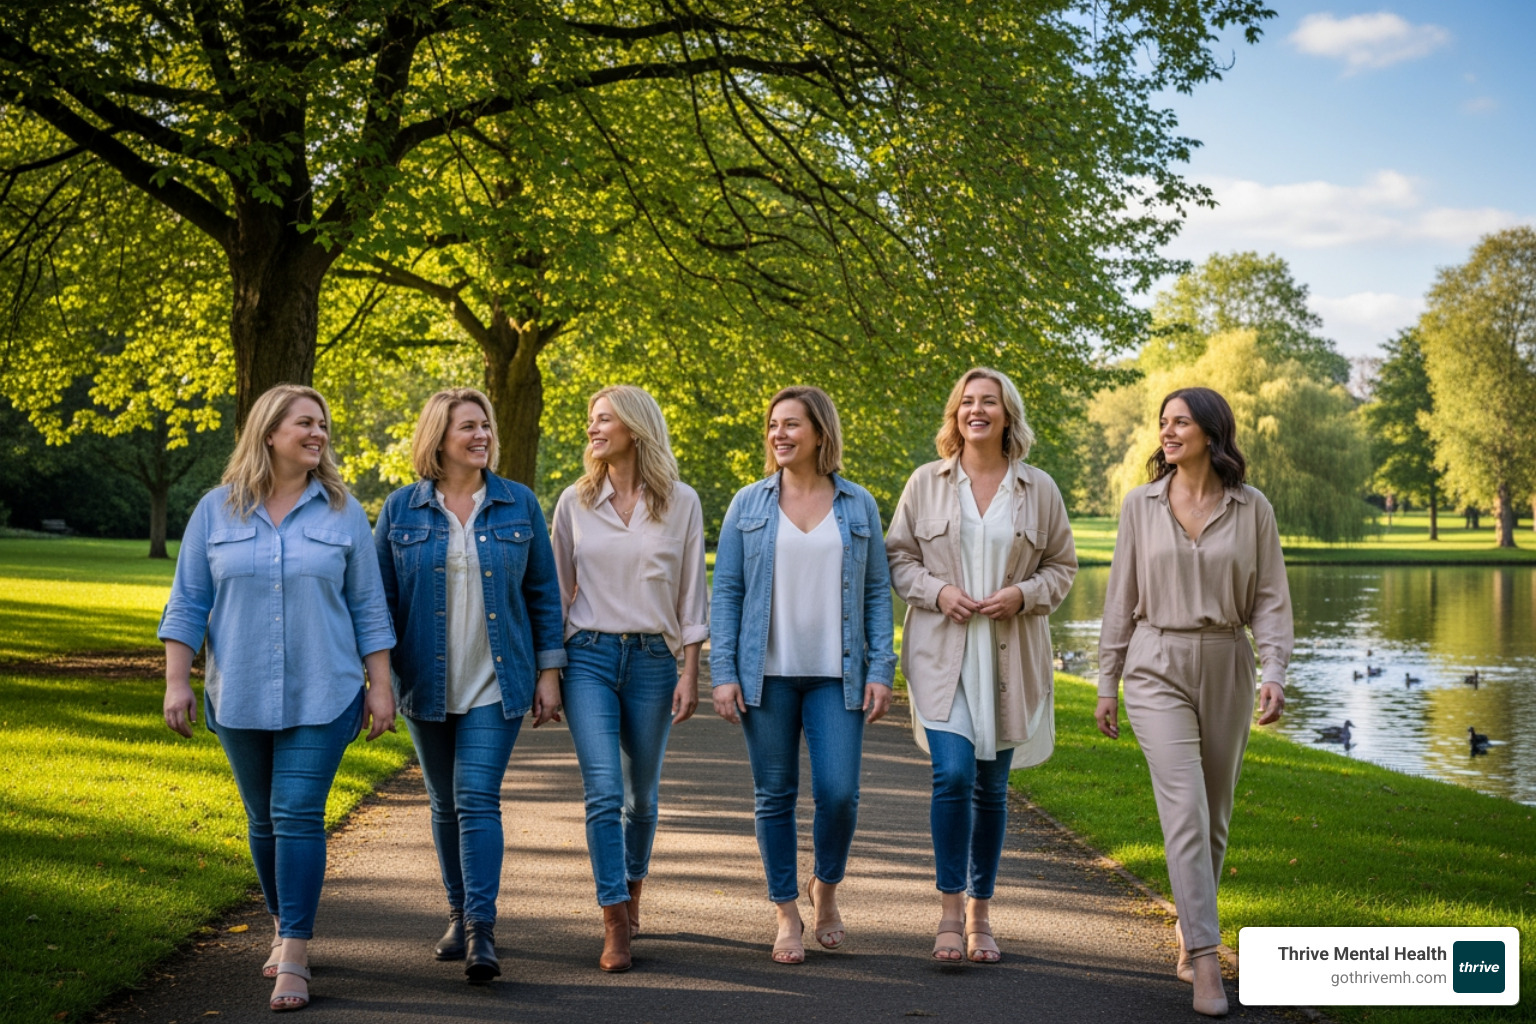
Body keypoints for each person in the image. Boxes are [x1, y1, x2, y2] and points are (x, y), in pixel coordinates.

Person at [159, 384, 395, 1012]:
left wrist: (381, 686)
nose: (318, 434)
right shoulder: (216, 510)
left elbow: (368, 605)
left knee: (295, 812)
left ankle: (294, 946)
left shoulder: (343, 511)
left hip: (325, 689)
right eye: (305, 424)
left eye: (322, 425)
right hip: (237, 691)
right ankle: (282, 916)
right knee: (262, 819)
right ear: (269, 433)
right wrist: (176, 679)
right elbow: (188, 602)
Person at [1094, 386, 1291, 1018]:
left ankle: (1190, 928)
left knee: (1213, 815)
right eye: (1163, 423)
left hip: (1228, 660)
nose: (1168, 431)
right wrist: (1107, 680)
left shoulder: (1252, 507)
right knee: (1183, 806)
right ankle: (1207, 960)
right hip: (1156, 664)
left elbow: (1270, 597)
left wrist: (1275, 670)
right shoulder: (1139, 505)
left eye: (1180, 421)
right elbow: (1119, 596)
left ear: (1211, 431)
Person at [373, 388, 566, 983]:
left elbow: (543, 594)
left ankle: (482, 929)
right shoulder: (401, 510)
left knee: (477, 797)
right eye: (468, 427)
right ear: (438, 438)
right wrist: (377, 678)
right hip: (425, 682)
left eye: (485, 425)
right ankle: (458, 913)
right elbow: (377, 601)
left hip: (497, 680)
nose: (481, 436)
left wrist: (550, 673)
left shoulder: (518, 504)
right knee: (443, 803)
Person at [886, 367, 1076, 965]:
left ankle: (980, 914)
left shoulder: (1038, 488)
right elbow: (898, 557)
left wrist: (1023, 595)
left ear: (1007, 414)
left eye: (988, 402)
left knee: (992, 790)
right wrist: (938, 592)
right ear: (955, 415)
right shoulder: (925, 482)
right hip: (941, 653)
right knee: (954, 775)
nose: (977, 410)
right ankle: (947, 912)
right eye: (967, 402)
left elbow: (1062, 567)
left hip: (1010, 658)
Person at [710, 386, 896, 965]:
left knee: (839, 795)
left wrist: (882, 668)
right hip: (765, 676)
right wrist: (722, 672)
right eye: (773, 425)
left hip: (837, 675)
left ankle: (827, 889)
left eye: (791, 424)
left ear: (820, 432)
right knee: (775, 796)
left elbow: (875, 594)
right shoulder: (749, 503)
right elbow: (728, 592)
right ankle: (787, 911)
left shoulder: (857, 503)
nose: (779, 434)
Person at [550, 385, 708, 972]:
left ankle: (633, 886)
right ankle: (614, 918)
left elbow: (694, 591)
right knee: (604, 791)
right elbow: (554, 593)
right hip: (587, 656)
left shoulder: (681, 502)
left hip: (651, 661)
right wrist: (550, 670)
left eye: (603, 420)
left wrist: (690, 670)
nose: (592, 429)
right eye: (590, 420)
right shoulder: (574, 501)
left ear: (635, 429)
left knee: (641, 798)